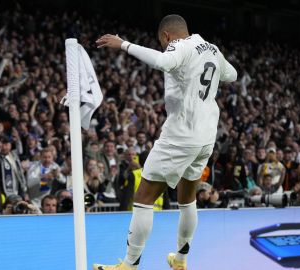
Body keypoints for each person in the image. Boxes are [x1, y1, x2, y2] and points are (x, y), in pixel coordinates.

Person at [94, 14, 237, 270]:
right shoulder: (211, 48)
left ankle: (129, 265)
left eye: (162, 42)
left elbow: (162, 61)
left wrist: (124, 44)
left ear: (166, 36)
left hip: (180, 135)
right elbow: (233, 75)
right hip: (206, 137)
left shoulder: (178, 46)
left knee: (144, 197)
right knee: (187, 199)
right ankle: (180, 261)